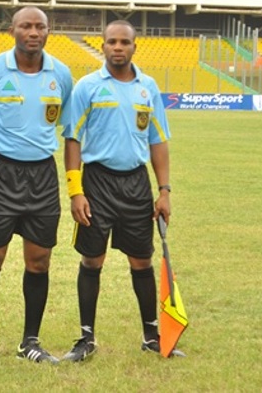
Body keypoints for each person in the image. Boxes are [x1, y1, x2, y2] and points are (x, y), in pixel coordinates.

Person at [61, 20, 183, 362]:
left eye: (124, 42)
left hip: (136, 183)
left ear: (134, 47)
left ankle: (150, 335)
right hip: (96, 182)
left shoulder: (148, 88)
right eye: (111, 42)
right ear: (102, 46)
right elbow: (72, 140)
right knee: (92, 259)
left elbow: (158, 141)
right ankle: (86, 338)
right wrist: (75, 191)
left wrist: (164, 191)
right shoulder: (87, 87)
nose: (118, 47)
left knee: (141, 259)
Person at [0, 6, 73, 369]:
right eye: (26, 25)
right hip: (0, 175)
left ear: (48, 31)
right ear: (12, 29)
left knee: (39, 261)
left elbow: (67, 124)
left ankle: (30, 341)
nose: (33, 32)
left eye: (40, 26)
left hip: (43, 175)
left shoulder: (61, 74)